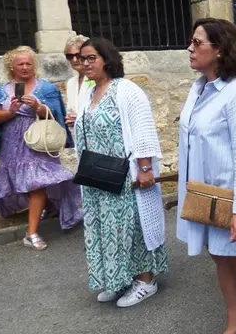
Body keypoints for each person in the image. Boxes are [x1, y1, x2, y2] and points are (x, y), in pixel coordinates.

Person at [176, 18, 236, 334]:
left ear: (218, 50)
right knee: (221, 258)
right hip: (209, 194)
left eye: (197, 42)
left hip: (235, 195)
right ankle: (235, 325)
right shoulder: (199, 89)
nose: (190, 48)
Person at [75, 38, 168, 307]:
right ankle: (119, 279)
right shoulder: (88, 92)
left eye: (91, 58)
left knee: (131, 227)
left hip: (123, 175)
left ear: (107, 59)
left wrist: (145, 168)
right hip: (96, 177)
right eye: (82, 59)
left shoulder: (126, 90)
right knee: (107, 229)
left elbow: (143, 130)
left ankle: (146, 280)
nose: (85, 63)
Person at [0, 46, 82, 250]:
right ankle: (48, 206)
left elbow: (55, 115)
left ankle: (31, 233)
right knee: (20, 181)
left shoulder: (46, 88)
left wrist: (37, 106)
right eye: (20, 64)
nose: (25, 67)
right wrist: (11, 111)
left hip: (38, 142)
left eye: (29, 63)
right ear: (11, 67)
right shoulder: (1, 90)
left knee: (37, 183)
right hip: (12, 143)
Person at [63, 34, 93, 128]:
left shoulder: (97, 79)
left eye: (78, 55)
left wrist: (80, 118)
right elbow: (71, 109)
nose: (74, 59)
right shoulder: (71, 82)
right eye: (70, 56)